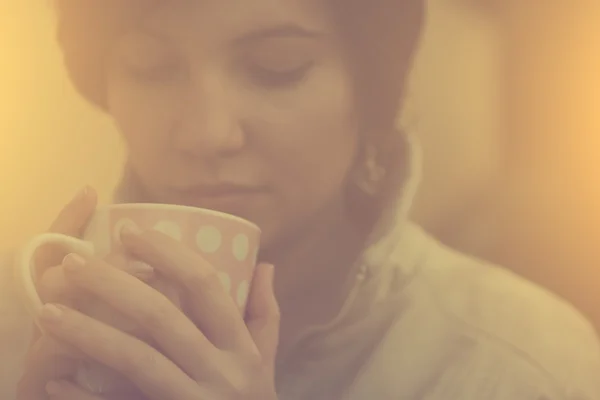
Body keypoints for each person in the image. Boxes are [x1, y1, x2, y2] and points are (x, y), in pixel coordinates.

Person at [1, 1, 600, 399]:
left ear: (370, 94)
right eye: (152, 67)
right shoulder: (25, 317)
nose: (208, 132)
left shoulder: (520, 361)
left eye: (276, 68)